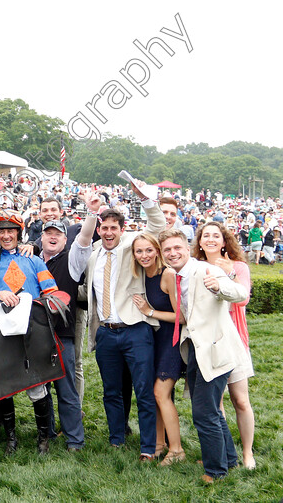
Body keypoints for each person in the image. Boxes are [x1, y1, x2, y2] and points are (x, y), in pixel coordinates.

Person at [68, 183, 165, 460]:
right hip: (106, 333)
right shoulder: (93, 256)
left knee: (144, 391)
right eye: (104, 228)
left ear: (122, 229)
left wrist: (146, 200)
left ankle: (148, 447)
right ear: (99, 229)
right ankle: (116, 440)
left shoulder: (132, 247)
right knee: (111, 392)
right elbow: (88, 291)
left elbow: (157, 229)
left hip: (136, 330)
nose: (108, 233)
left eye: (114, 228)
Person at [159, 228, 249, 482]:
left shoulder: (205, 270)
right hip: (196, 351)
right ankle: (228, 460)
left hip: (217, 351)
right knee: (211, 410)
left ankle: (215, 471)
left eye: (177, 248)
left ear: (187, 249)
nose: (173, 253)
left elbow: (241, 294)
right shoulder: (176, 275)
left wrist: (220, 286)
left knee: (204, 412)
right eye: (167, 250)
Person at [0, 211, 59, 454]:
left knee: (36, 385)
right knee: (5, 386)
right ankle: (10, 439)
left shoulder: (34, 261)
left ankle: (43, 439)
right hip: (0, 330)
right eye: (1, 231)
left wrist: (33, 303)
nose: (5, 235)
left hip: (32, 330)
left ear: (18, 233)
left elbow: (52, 292)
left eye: (10, 231)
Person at [191, 221, 256, 469]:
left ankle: (248, 453)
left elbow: (242, 300)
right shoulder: (195, 267)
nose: (210, 239)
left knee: (240, 400)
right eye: (205, 235)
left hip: (235, 340)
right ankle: (218, 450)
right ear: (199, 241)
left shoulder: (237, 266)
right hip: (209, 343)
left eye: (215, 236)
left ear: (224, 240)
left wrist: (228, 274)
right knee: (215, 404)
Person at [129, 233, 184, 465]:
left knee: (161, 394)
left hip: (172, 340)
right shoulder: (142, 274)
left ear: (157, 251)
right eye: (139, 251)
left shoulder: (167, 274)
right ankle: (160, 444)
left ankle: (177, 450)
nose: (144, 255)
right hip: (155, 340)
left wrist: (149, 312)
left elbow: (181, 316)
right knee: (157, 393)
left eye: (149, 250)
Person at [39, 219, 86, 452]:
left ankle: (75, 440)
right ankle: (46, 433)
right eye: (48, 233)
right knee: (41, 389)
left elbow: (85, 239)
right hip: (36, 334)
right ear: (41, 237)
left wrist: (93, 212)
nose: (53, 237)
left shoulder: (71, 261)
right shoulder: (32, 261)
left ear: (65, 240)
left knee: (66, 390)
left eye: (58, 233)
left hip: (62, 335)